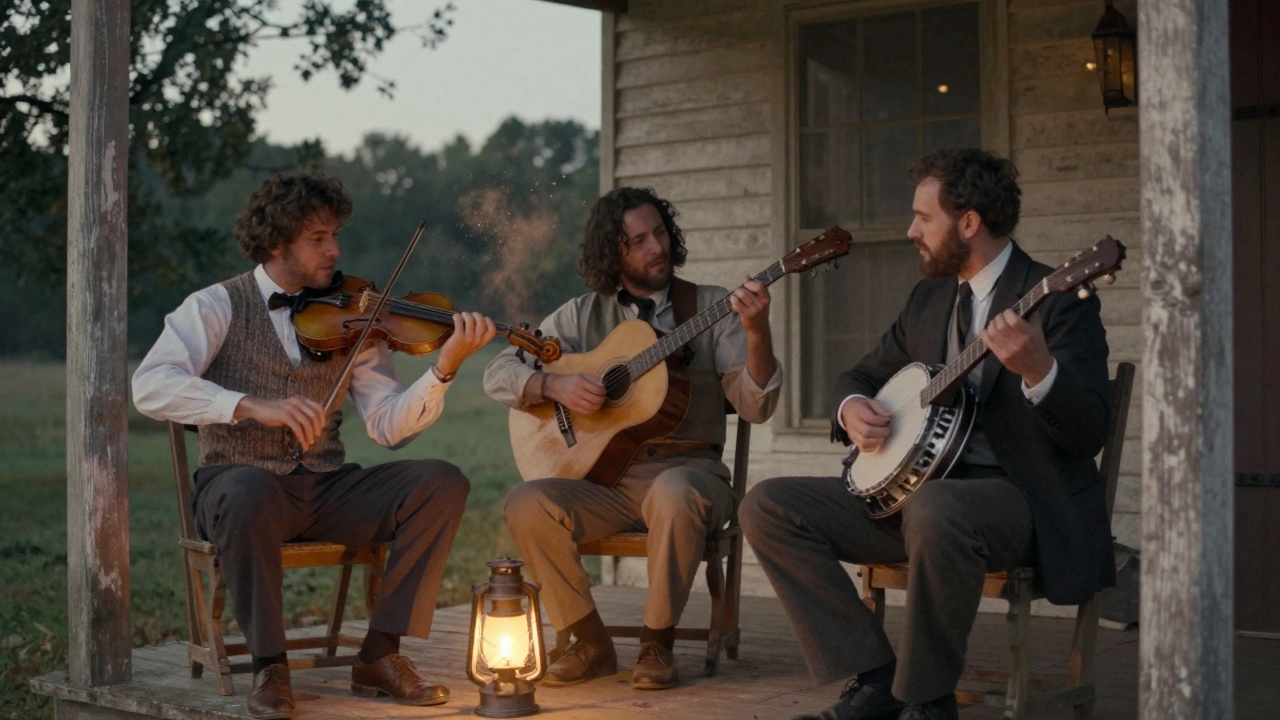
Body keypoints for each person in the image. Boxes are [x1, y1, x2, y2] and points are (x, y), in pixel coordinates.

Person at [739, 149, 1113, 720]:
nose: (910, 230)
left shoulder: (1056, 299)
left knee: (938, 508)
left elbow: (1088, 431)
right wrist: (851, 407)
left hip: (1016, 504)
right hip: (913, 498)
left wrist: (1040, 370)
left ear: (969, 223)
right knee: (767, 505)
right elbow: (859, 374)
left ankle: (926, 701)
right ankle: (876, 677)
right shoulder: (930, 299)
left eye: (923, 217)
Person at [132, 171, 496, 719]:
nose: (336, 250)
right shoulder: (215, 305)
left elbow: (388, 426)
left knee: (441, 481)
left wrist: (443, 370)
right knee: (249, 491)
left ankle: (379, 653)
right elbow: (149, 385)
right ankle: (271, 668)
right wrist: (250, 404)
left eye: (336, 235)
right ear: (277, 242)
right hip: (240, 487)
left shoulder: (355, 314)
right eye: (319, 238)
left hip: (326, 488)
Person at [483, 186, 783, 690]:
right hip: (606, 484)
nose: (656, 247)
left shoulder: (712, 308)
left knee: (674, 492)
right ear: (611, 253)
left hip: (690, 475)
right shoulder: (580, 317)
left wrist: (757, 332)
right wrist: (552, 384)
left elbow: (759, 404)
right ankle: (588, 641)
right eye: (638, 240)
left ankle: (655, 645)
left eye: (659, 233)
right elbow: (498, 372)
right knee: (526, 503)